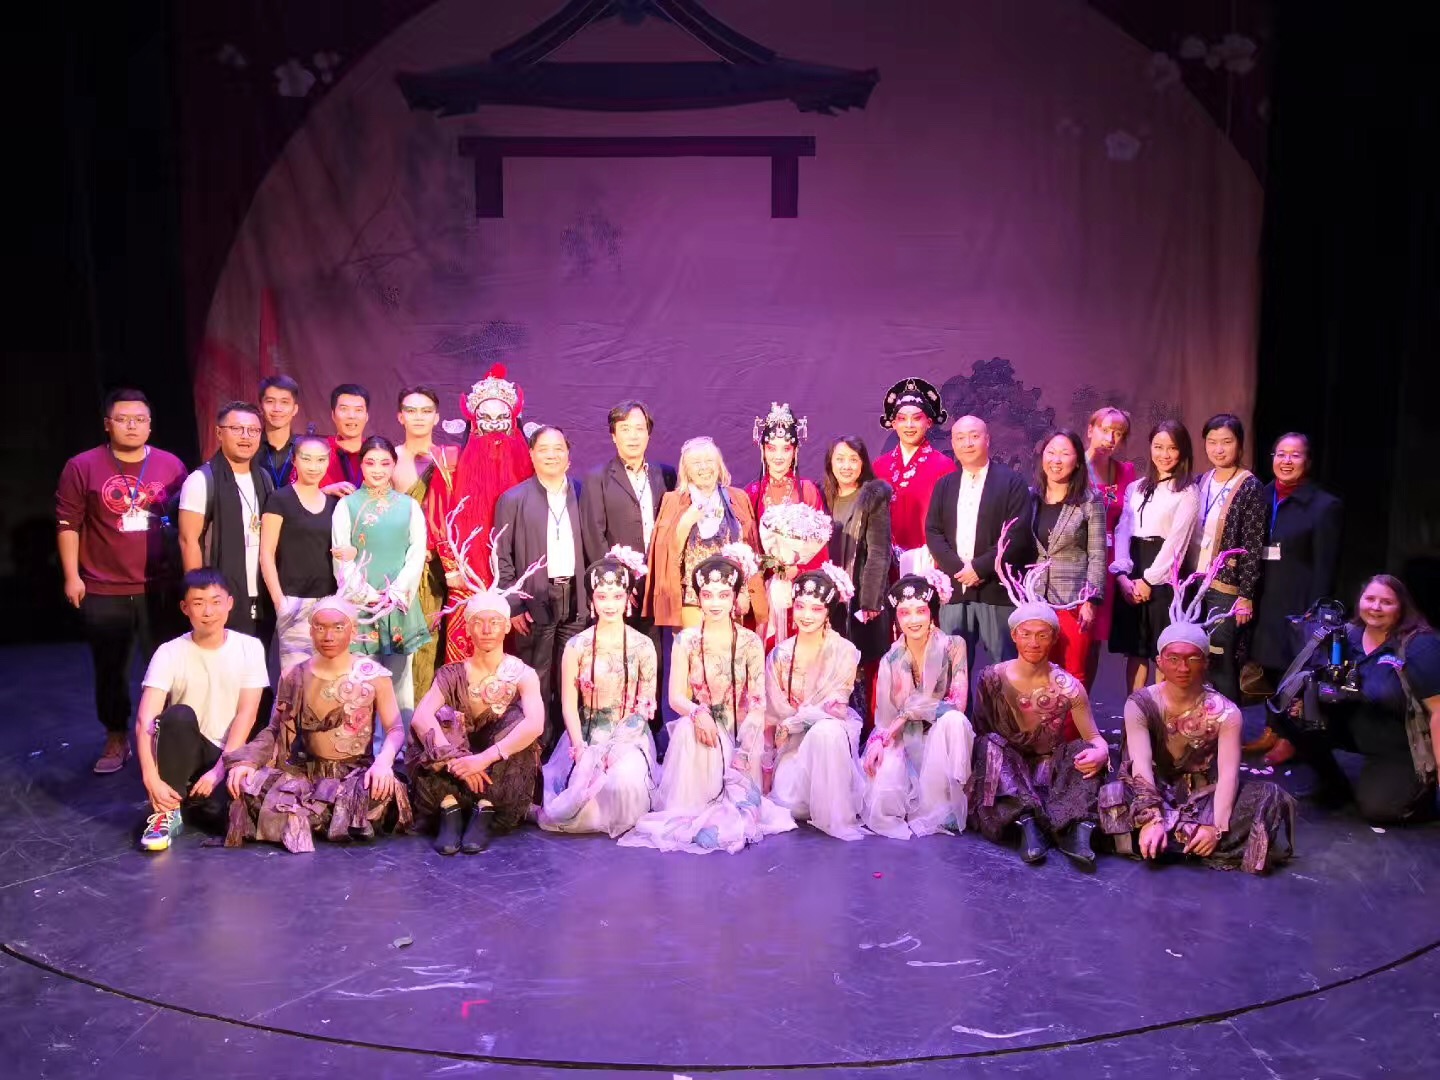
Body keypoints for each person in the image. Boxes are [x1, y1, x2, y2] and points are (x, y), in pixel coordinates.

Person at [1102, 563, 1297, 872]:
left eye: (1193, 659)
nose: (1183, 668)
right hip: (1152, 789)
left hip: (1200, 794)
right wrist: (1152, 817)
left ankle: (1187, 836)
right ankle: (1172, 835)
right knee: (1109, 797)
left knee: (1266, 797)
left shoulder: (1226, 713)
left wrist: (1215, 825)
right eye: (1174, 659)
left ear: (1206, 662)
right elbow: (1140, 764)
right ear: (1159, 662)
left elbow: (1228, 775)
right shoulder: (1140, 703)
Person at [620, 547, 797, 854]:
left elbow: (757, 705)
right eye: (708, 595)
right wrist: (697, 712)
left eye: (723, 595)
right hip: (701, 736)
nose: (715, 603)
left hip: (741, 738)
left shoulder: (749, 642)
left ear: (735, 597)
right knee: (688, 729)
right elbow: (675, 697)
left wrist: (744, 752)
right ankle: (695, 805)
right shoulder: (687, 640)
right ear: (698, 598)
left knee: (739, 811)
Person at [56, 388, 188, 773]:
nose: (132, 426)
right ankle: (116, 736)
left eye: (140, 419)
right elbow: (68, 524)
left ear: (150, 425)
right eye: (123, 419)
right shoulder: (82, 466)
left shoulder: (171, 465)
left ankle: (168, 736)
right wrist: (71, 576)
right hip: (103, 586)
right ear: (107, 424)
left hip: (160, 586)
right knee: (110, 668)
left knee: (167, 665)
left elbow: (187, 522)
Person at [223, 595, 410, 852]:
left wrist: (383, 763)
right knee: (246, 786)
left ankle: (305, 818)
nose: (328, 636)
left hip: (354, 775)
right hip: (308, 774)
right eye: (320, 628)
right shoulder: (294, 675)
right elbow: (276, 729)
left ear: (353, 630)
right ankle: (319, 819)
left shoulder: (374, 676)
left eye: (338, 627)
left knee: (378, 794)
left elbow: (396, 729)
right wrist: (248, 761)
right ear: (311, 631)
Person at [967, 539, 1110, 866]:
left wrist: (1101, 751)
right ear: (1014, 636)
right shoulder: (991, 678)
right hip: (1007, 778)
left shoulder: (1069, 687)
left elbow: (1095, 738)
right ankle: (1027, 823)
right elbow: (981, 733)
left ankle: (1073, 829)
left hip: (1049, 770)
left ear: (1054, 638)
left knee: (1080, 750)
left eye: (1042, 635)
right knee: (988, 744)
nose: (1033, 642)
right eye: (1026, 634)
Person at [407, 544, 548, 855]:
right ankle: (450, 809)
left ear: (506, 626)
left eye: (494, 622)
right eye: (479, 622)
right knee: (433, 724)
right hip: (456, 771)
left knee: (519, 725)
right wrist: (454, 759)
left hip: (493, 773)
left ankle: (484, 809)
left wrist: (482, 760)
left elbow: (535, 725)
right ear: (468, 627)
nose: (487, 630)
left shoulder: (522, 674)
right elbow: (420, 717)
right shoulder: (451, 673)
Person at [1274, 575, 1439, 824]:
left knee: (1379, 811)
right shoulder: (1348, 635)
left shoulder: (1419, 646)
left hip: (1400, 744)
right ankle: (1334, 785)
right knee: (1292, 715)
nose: (1375, 607)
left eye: (1386, 602)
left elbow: (1438, 712)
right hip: (1357, 725)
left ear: (1401, 607)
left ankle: (1421, 794)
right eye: (1370, 599)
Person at [133, 570, 269, 852]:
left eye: (216, 602)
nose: (208, 612)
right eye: (198, 603)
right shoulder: (169, 651)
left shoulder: (250, 648)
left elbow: (247, 715)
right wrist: (150, 778)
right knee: (178, 716)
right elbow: (145, 719)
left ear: (229, 603)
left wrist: (219, 771)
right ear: (185, 608)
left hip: (228, 753)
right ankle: (166, 812)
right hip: (185, 748)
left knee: (236, 823)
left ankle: (192, 800)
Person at [540, 549, 659, 837]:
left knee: (621, 784)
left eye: (617, 596)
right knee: (579, 796)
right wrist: (580, 748)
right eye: (602, 597)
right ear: (592, 600)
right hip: (588, 735)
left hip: (629, 736)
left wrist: (617, 748)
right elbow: (569, 706)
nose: (610, 604)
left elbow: (644, 707)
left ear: (628, 598)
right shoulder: (577, 646)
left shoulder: (643, 646)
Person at [578, 399, 676, 736]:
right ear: (613, 435)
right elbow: (594, 535)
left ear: (648, 434)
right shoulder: (597, 478)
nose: (633, 436)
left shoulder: (666, 475)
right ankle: (611, 729)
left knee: (654, 658)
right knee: (616, 658)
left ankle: (650, 732)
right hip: (617, 590)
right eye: (625, 429)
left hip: (656, 585)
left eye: (639, 429)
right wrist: (615, 585)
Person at [424, 364, 534, 664]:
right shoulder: (450, 463)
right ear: (473, 422)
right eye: (486, 418)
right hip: (468, 572)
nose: (494, 426)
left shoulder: (531, 462)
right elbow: (438, 515)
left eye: (501, 418)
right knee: (467, 650)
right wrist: (451, 568)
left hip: (517, 573)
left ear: (513, 420)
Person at [1246, 433, 1343, 760]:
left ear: (1308, 461)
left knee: (1297, 669)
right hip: (1265, 597)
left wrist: (1315, 611)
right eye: (1280, 454)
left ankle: (1293, 737)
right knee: (1270, 665)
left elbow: (1326, 565)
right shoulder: (1261, 495)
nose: (1286, 461)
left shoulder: (1324, 506)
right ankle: (1272, 729)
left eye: (1295, 455)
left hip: (1299, 601)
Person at [860, 572, 976, 839]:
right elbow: (885, 718)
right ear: (896, 617)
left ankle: (949, 798)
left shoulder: (953, 646)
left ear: (931, 612)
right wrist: (878, 741)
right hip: (906, 737)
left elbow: (956, 705)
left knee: (955, 721)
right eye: (904, 613)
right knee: (882, 793)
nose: (913, 620)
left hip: (941, 734)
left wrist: (906, 715)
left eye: (920, 611)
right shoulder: (890, 659)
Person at [492, 426, 588, 748]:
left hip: (575, 596)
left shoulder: (583, 493)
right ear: (531, 455)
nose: (552, 455)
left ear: (568, 455)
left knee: (571, 676)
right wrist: (514, 604)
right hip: (534, 600)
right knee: (537, 676)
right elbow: (501, 557)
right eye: (544, 449)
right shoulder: (513, 499)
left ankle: (568, 746)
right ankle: (537, 749)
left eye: (558, 448)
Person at [330, 436, 431, 718]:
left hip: (397, 602)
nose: (377, 470)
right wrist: (367, 595)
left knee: (399, 680)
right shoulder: (347, 506)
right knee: (359, 677)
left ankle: (398, 738)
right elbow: (341, 556)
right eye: (370, 462)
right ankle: (360, 738)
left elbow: (416, 553)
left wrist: (395, 593)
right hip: (360, 604)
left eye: (385, 463)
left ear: (394, 466)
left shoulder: (409, 506)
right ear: (361, 465)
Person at [765, 565, 867, 840]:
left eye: (816, 609)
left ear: (827, 613)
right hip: (792, 748)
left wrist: (794, 722)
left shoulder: (844, 651)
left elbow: (836, 709)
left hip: (830, 745)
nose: (806, 615)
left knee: (827, 729)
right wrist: (764, 772)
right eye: (800, 606)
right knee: (793, 805)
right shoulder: (780, 654)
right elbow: (771, 716)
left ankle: (833, 813)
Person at [926, 415, 1033, 664]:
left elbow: (1017, 533)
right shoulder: (945, 485)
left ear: (987, 439)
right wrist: (958, 569)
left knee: (1004, 667)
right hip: (955, 591)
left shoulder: (1011, 482)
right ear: (953, 443)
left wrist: (979, 568)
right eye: (960, 438)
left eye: (974, 436)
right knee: (952, 668)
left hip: (997, 590)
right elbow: (933, 531)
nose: (967, 443)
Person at [1109, 419, 1199, 693]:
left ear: (1183, 451)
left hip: (1165, 574)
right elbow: (1123, 530)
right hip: (1133, 566)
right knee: (1136, 648)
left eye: (1172, 448)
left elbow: (1177, 542)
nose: (1164, 454)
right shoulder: (1135, 487)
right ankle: (1133, 712)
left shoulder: (1187, 491)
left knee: (1163, 648)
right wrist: (1122, 575)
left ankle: (1161, 713)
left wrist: (1149, 581)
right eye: (1158, 446)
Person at [178, 402, 276, 641]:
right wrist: (200, 598)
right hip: (221, 596)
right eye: (237, 429)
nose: (246, 436)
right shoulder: (201, 480)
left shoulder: (263, 477)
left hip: (261, 593)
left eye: (253, 430)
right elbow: (188, 541)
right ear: (219, 433)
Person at [647, 436, 766, 632]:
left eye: (709, 460)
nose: (704, 467)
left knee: (728, 650)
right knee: (695, 650)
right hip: (692, 600)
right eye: (696, 463)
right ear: (686, 470)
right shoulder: (673, 501)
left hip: (731, 598)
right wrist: (686, 523)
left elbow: (749, 551)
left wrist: (744, 591)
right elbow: (666, 555)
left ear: (719, 465)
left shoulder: (738, 498)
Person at [1190, 414, 1266, 705]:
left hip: (1226, 588)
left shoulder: (1250, 486)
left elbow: (1252, 545)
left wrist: (1246, 596)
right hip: (1194, 584)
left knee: (1221, 659)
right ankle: (1199, 724)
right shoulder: (1201, 481)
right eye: (1212, 442)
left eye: (1226, 442)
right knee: (1196, 658)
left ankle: (1227, 726)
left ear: (1240, 444)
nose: (1218, 449)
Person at [391, 385, 457, 701]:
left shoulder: (449, 459)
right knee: (393, 646)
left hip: (435, 569)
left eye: (426, 411)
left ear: (437, 417)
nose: (419, 417)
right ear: (400, 416)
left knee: (430, 641)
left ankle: (423, 718)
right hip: (394, 566)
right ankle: (393, 722)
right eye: (411, 410)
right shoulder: (386, 458)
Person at [1029, 429, 1106, 687]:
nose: (1056, 460)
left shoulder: (1089, 501)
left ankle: (1074, 717)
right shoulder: (1030, 498)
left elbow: (1098, 554)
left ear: (1078, 461)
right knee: (1038, 672)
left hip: (1074, 601)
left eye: (1064, 454)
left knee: (1072, 674)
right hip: (1036, 599)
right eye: (1051, 452)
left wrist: (1091, 600)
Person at [823, 436, 892, 717]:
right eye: (840, 459)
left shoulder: (872, 498)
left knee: (863, 668)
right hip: (828, 600)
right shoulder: (822, 496)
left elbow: (879, 552)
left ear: (863, 463)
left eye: (853, 459)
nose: (846, 466)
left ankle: (865, 729)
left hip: (861, 597)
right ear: (830, 462)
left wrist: (870, 600)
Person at [259, 434, 338, 671]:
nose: (314, 466)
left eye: (320, 460)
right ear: (294, 460)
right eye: (306, 459)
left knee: (327, 675)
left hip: (329, 600)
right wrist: (280, 602)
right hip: (293, 599)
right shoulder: (279, 499)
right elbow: (266, 554)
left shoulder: (334, 503)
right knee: (296, 677)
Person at [873, 378, 955, 575]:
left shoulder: (944, 466)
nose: (909, 425)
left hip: (927, 563)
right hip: (886, 563)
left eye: (917, 418)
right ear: (893, 424)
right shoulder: (879, 466)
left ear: (928, 422)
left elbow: (952, 522)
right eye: (902, 419)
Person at [1083, 406, 1136, 687]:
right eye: (1105, 430)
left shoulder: (1124, 471)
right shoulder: (1073, 465)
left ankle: (1082, 701)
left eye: (1118, 433)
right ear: (1090, 430)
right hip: (1077, 557)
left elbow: (1125, 520)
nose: (1110, 439)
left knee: (1093, 641)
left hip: (1108, 561)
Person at [318, 383, 371, 495]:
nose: (351, 416)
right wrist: (326, 491)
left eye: (358, 410)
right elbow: (297, 497)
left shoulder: (377, 453)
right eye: (344, 409)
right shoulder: (317, 451)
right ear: (333, 415)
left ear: (366, 416)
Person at [256, 374, 302, 489]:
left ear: (295, 409)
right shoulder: (249, 447)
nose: (277, 408)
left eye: (284, 402)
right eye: (270, 401)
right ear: (261, 407)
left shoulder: (305, 449)